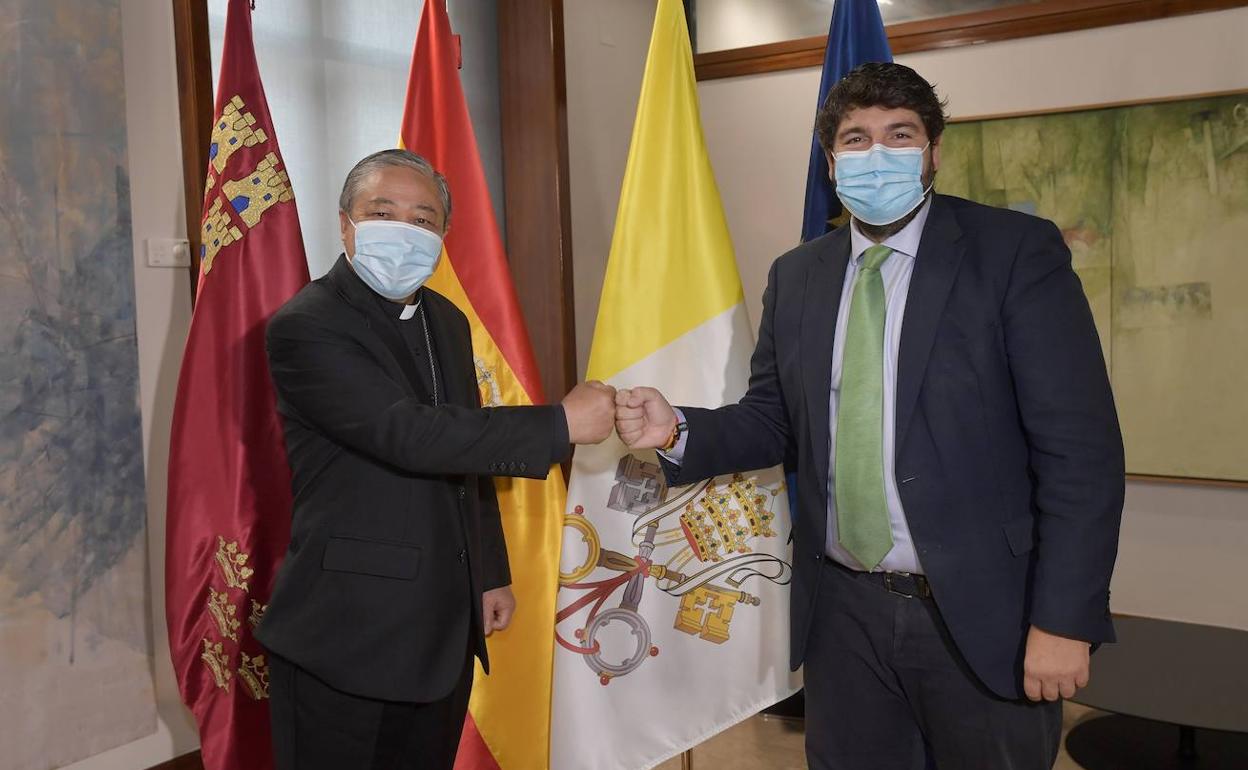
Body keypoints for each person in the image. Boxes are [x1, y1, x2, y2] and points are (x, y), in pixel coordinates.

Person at [615, 63, 1124, 770]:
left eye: (900, 134)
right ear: (831, 162)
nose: (876, 154)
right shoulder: (798, 276)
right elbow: (774, 420)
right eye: (856, 139)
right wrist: (676, 427)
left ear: (933, 152)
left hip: (986, 615)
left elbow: (1081, 455)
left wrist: (1064, 619)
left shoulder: (1013, 254)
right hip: (843, 616)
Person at [256, 149, 615, 770]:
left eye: (423, 219)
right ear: (345, 224)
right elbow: (410, 435)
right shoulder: (306, 325)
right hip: (345, 633)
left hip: (441, 627)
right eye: (382, 213)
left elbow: (465, 455)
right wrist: (559, 424)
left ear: (444, 234)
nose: (404, 230)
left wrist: (488, 571)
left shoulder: (445, 320)